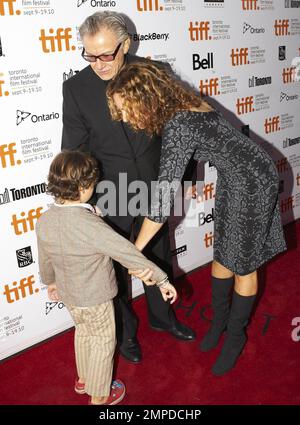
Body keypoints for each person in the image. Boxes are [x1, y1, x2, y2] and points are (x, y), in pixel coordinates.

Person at [106, 62, 287, 376]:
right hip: (235, 178)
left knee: (243, 264)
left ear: (144, 98)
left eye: (126, 108)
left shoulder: (179, 122)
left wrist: (132, 252)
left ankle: (235, 335)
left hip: (256, 181)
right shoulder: (180, 103)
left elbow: (161, 202)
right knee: (223, 254)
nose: (123, 117)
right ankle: (219, 323)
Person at [61, 11, 195, 364]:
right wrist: (83, 201)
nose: (99, 64)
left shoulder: (155, 73)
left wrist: (188, 180)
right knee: (116, 270)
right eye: (90, 55)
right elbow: (75, 149)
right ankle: (125, 334)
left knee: (158, 255)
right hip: (109, 194)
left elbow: (181, 130)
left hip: (155, 184)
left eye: (107, 54)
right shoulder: (75, 88)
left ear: (126, 44)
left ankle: (164, 320)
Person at [35, 151, 177, 405]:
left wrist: (51, 282)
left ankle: (84, 380)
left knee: (83, 333)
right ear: (84, 187)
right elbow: (127, 252)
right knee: (102, 342)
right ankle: (100, 395)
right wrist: (162, 279)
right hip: (95, 298)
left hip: (69, 295)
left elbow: (45, 258)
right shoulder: (89, 224)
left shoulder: (45, 219)